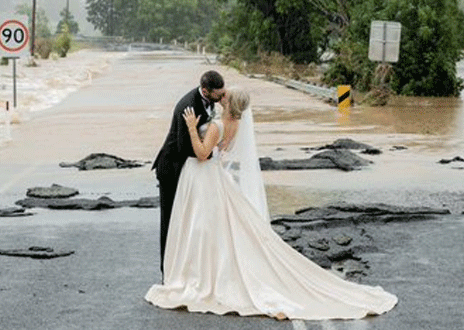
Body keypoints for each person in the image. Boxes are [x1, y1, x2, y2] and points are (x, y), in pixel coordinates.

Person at [145, 89, 398, 320]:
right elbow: (223, 148)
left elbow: (202, 154)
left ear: (230, 104)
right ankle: (208, 269)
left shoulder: (218, 125)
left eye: (225, 97)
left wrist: (191, 127)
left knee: (202, 227)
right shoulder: (236, 124)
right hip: (217, 177)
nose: (222, 98)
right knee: (218, 228)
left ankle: (200, 274)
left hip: (205, 177)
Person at [152, 70, 225, 274]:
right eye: (219, 94)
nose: (222, 97)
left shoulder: (210, 100)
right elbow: (183, 147)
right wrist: (209, 151)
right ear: (205, 90)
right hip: (172, 168)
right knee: (170, 221)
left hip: (189, 169)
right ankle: (167, 269)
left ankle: (187, 265)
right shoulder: (189, 106)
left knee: (188, 220)